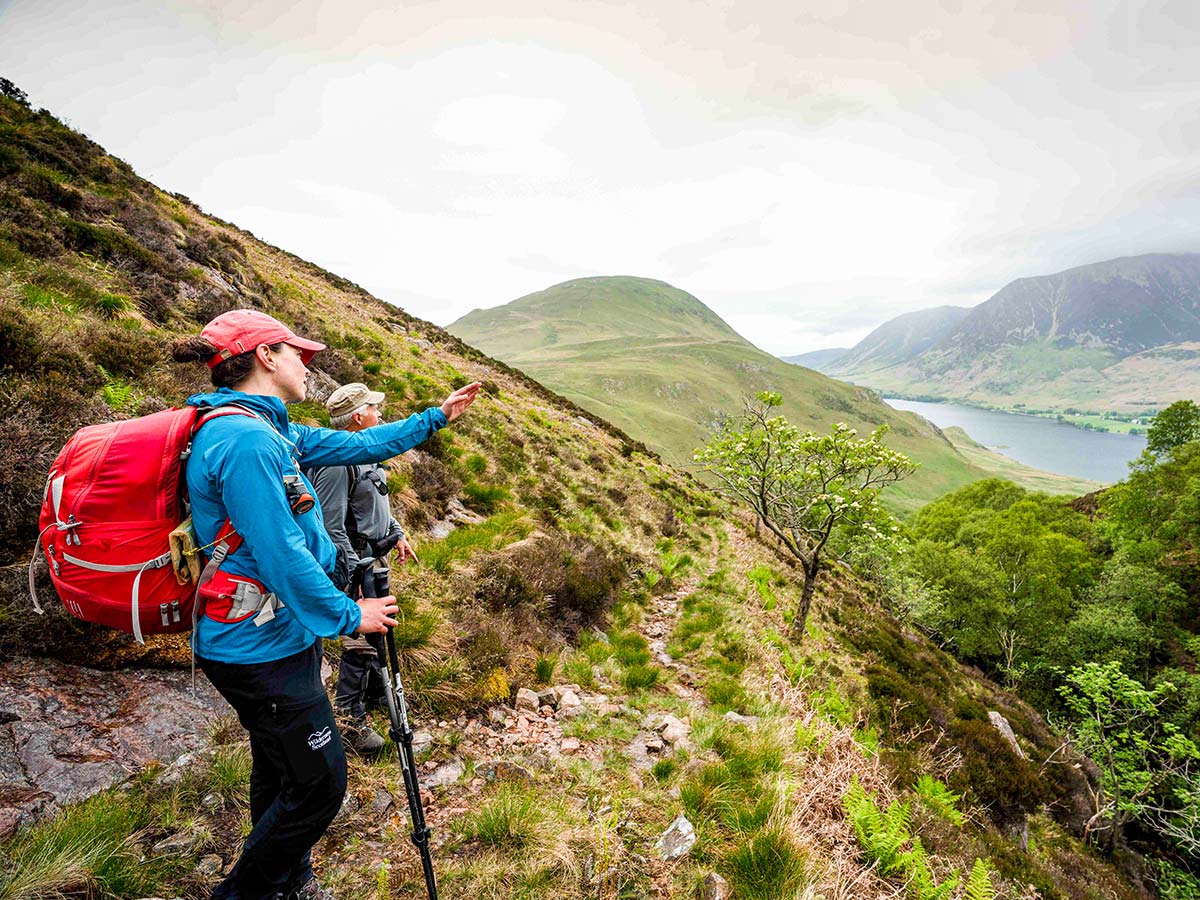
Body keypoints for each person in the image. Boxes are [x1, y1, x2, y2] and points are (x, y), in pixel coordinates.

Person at [171, 309, 480, 900]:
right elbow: (281, 553)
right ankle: (246, 893)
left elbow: (361, 443)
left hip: (274, 633)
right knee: (319, 783)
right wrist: (348, 615)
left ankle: (288, 880)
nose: (307, 366)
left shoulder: (271, 429)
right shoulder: (245, 440)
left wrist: (436, 418)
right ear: (265, 356)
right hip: (255, 647)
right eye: (298, 354)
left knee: (280, 766)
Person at [305, 382, 416, 755]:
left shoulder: (366, 455)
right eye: (374, 408)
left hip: (373, 558)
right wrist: (352, 577)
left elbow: (376, 504)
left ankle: (374, 696)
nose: (380, 413)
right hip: (355, 564)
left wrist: (396, 534)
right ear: (357, 417)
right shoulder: (337, 463)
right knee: (360, 641)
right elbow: (330, 524)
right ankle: (351, 722)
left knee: (378, 629)